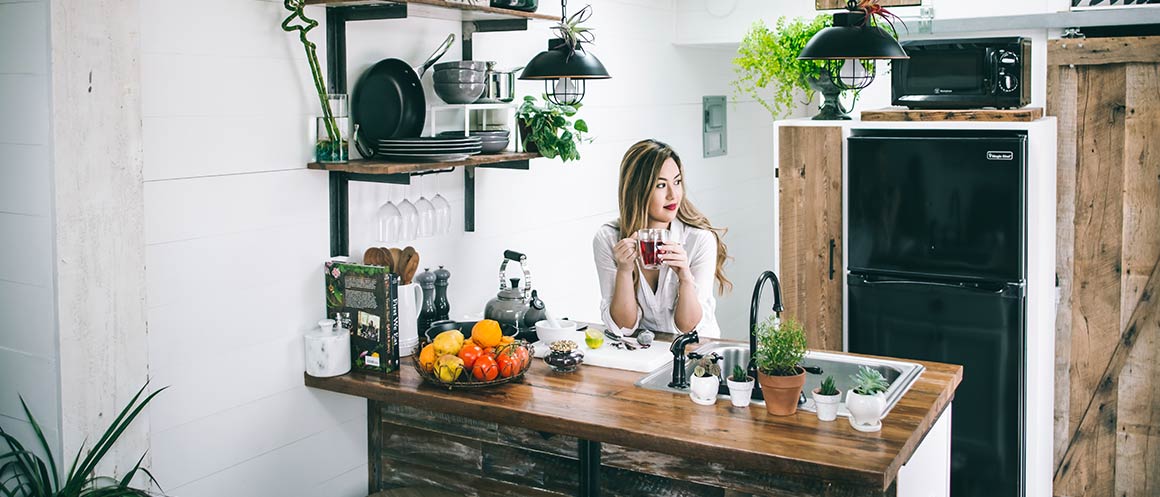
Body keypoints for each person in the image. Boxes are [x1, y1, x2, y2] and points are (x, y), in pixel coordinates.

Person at [592, 139, 731, 338]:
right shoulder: (608, 239)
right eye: (660, 185)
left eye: (677, 182)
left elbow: (688, 328)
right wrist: (624, 270)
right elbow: (623, 327)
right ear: (637, 190)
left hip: (698, 355)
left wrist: (684, 276)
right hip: (648, 355)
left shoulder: (699, 240)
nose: (673, 194)